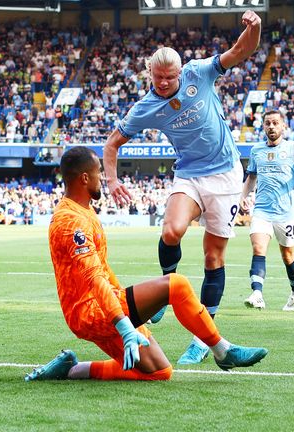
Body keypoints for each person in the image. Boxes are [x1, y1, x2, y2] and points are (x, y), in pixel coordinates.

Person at [24, 146, 267, 382]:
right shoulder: (70, 222)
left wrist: (123, 315)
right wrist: (123, 323)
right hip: (92, 311)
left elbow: (102, 272)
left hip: (102, 306)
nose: (104, 178)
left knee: (159, 372)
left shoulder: (82, 210)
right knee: (177, 285)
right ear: (85, 178)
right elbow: (94, 278)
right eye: (100, 172)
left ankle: (70, 370)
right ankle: (222, 350)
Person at [103, 10, 262, 365]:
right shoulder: (146, 107)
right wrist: (111, 181)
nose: (163, 83)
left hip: (225, 176)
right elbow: (112, 143)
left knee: (212, 258)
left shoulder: (198, 72)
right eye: (157, 77)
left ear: (180, 72)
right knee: (172, 231)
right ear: (149, 74)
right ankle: (165, 288)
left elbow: (240, 52)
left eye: (169, 77)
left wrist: (256, 28)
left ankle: (202, 341)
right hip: (188, 173)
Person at [240, 111, 294, 311]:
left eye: (275, 123)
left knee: (288, 255)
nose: (271, 127)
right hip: (262, 210)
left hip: (286, 212)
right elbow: (251, 177)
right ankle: (257, 294)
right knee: (258, 248)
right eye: (267, 123)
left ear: (283, 126)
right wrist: (243, 196)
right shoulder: (256, 150)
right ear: (263, 127)